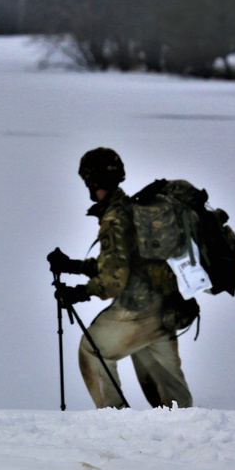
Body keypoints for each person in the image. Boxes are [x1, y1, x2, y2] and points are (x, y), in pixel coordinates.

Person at [49, 148, 196, 409]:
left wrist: (81, 293)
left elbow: (115, 280)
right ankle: (188, 433)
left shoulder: (115, 218)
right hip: (164, 309)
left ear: (92, 182)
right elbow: (125, 264)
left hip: (135, 312)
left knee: (92, 349)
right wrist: (74, 266)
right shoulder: (134, 210)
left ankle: (114, 420)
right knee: (173, 402)